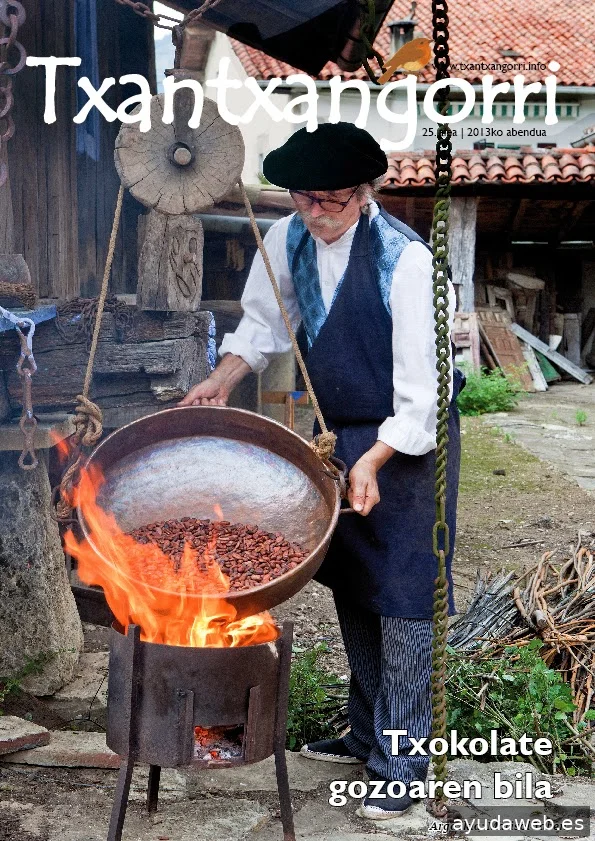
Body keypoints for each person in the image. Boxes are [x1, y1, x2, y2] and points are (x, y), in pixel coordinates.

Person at [180, 122, 464, 820]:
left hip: (409, 442)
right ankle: (364, 733)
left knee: (402, 601)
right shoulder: (286, 241)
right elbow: (260, 327)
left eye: (333, 199)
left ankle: (402, 761)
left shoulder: (406, 263)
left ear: (364, 193)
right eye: (305, 198)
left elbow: (423, 394)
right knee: (354, 584)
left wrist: (376, 457)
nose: (317, 212)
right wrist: (221, 379)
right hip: (339, 439)